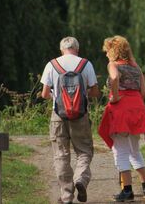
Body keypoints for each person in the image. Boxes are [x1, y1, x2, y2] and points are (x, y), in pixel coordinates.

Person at [41, 36, 101, 204]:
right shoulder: (85, 64)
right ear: (77, 49)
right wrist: (81, 96)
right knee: (84, 151)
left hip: (58, 116)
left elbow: (44, 94)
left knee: (61, 155)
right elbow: (95, 92)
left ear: (61, 50)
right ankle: (80, 179)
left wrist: (57, 97)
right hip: (80, 116)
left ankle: (67, 197)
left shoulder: (52, 65)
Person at [98, 35, 145, 202]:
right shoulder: (136, 67)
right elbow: (143, 92)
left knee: (120, 150)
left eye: (107, 51)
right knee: (134, 150)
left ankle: (127, 191)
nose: (106, 54)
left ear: (112, 51)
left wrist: (115, 97)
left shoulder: (113, 65)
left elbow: (114, 78)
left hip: (121, 110)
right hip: (137, 108)